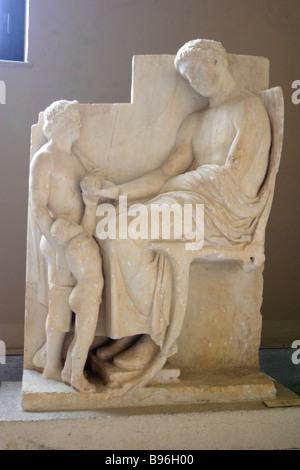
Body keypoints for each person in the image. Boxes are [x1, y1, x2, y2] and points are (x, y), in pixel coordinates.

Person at [82, 39, 272, 375]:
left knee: (128, 231)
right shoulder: (195, 122)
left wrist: (178, 184)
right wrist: (117, 192)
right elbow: (166, 173)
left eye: (197, 71)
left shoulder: (248, 108)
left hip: (223, 212)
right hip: (188, 200)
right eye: (188, 78)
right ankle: (130, 330)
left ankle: (156, 338)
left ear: (217, 61)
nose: (194, 81)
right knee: (112, 228)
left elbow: (233, 173)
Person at [30, 100, 103, 392]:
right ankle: (54, 365)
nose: (79, 124)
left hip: (76, 238)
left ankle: (56, 363)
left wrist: (91, 205)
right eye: (74, 119)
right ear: (59, 122)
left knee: (72, 296)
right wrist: (53, 234)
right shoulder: (45, 158)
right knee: (61, 297)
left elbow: (85, 212)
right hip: (59, 239)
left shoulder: (74, 159)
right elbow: (37, 205)